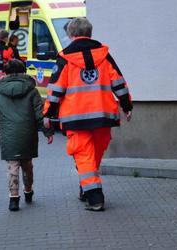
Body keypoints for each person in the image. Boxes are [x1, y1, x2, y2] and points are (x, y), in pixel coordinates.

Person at [43, 18, 133, 212]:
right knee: (94, 157)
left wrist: (48, 114)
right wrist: (126, 106)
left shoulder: (65, 57)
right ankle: (87, 188)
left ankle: (94, 197)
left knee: (85, 158)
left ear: (71, 35)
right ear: (89, 33)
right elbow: (119, 83)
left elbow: (55, 90)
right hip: (103, 116)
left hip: (75, 117)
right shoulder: (104, 55)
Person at [0, 59, 54, 211]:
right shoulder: (32, 90)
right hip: (27, 132)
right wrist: (47, 132)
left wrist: (3, 120)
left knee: (13, 166)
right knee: (27, 164)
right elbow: (39, 114)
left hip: (9, 132)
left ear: (5, 73)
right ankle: (28, 191)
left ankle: (14, 199)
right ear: (24, 71)